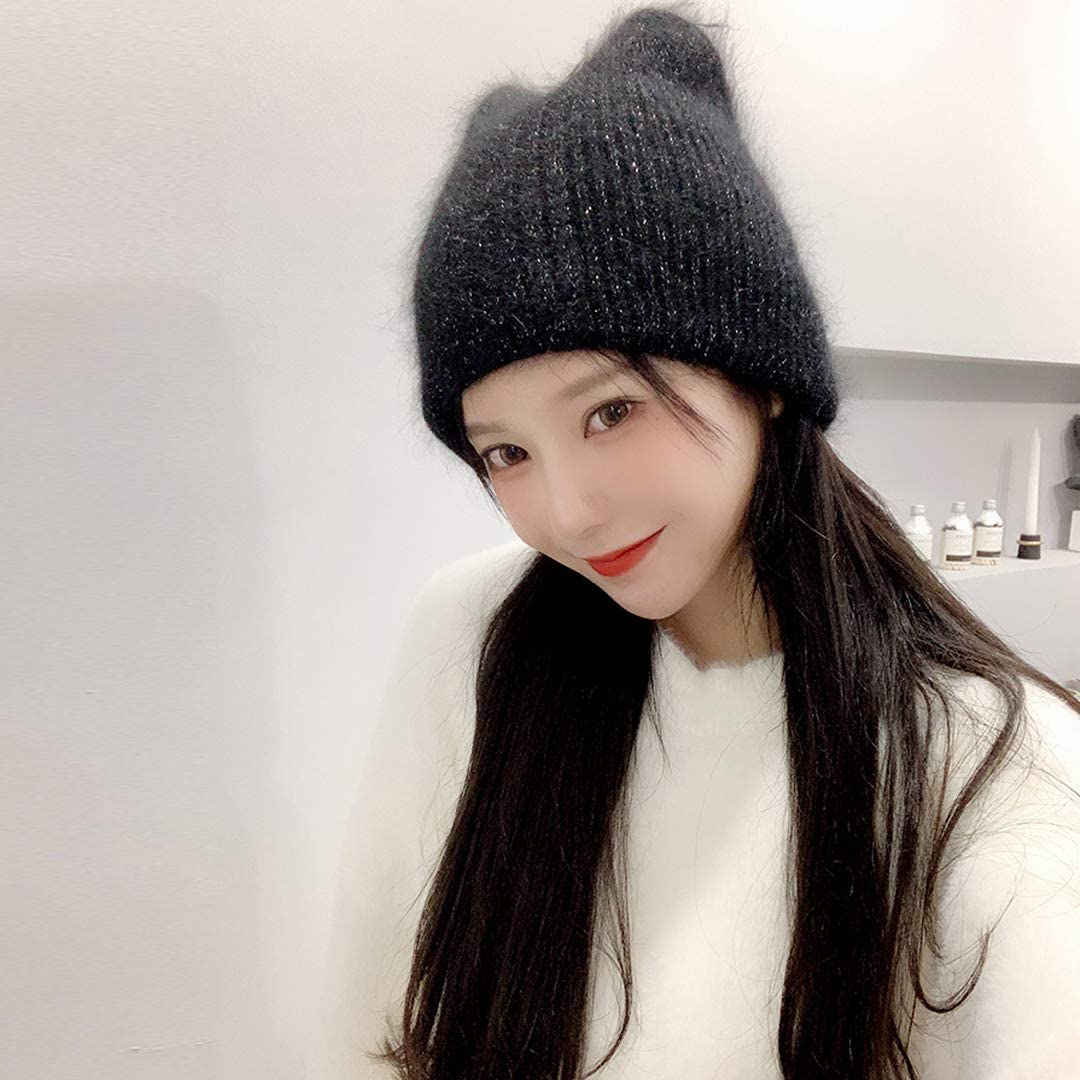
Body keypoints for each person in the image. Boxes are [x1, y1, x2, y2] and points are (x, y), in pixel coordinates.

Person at [306, 5, 1080, 1078]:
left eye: (610, 412)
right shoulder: (474, 637)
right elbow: (369, 1031)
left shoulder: (992, 768)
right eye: (505, 453)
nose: (567, 514)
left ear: (762, 378)